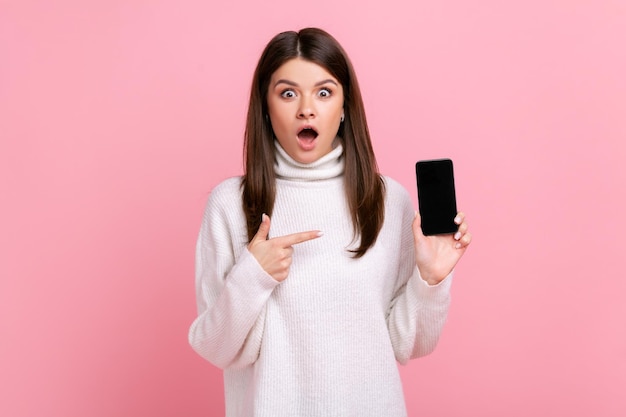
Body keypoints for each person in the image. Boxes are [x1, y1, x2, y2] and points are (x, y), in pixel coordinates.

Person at [188, 27, 472, 417]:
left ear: (344, 108)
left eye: (324, 92)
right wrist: (253, 275)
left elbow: (408, 343)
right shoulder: (231, 206)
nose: (307, 108)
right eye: (288, 93)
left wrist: (430, 282)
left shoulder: (387, 201)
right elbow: (219, 348)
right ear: (266, 108)